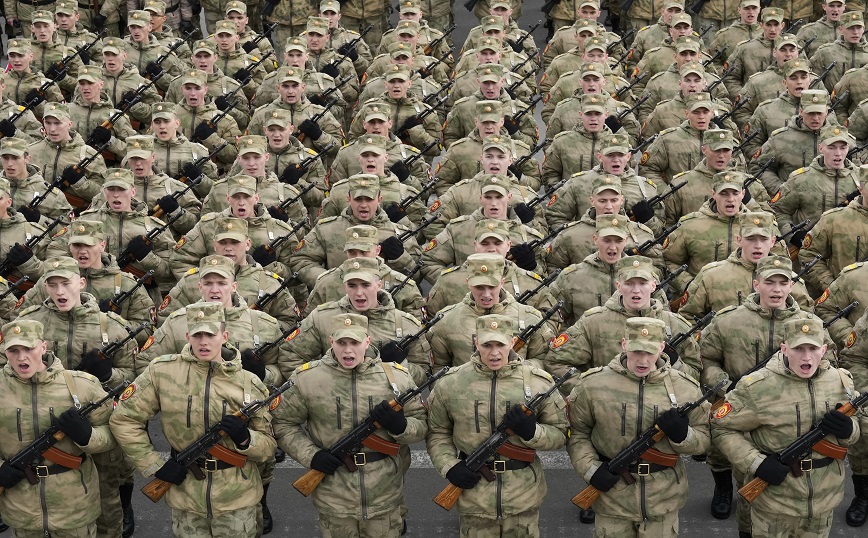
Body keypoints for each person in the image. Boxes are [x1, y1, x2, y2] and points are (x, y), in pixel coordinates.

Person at [110, 302, 276, 538]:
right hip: (185, 494)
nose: (204, 341)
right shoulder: (162, 372)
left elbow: (269, 448)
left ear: (225, 335)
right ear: (188, 336)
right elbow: (124, 419)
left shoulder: (249, 382)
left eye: (210, 334)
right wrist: (156, 465)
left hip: (237, 499)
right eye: (197, 334)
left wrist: (246, 439)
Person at [699, 255, 836, 531]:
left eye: (782, 282)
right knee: (748, 483)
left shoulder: (808, 323)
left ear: (791, 286)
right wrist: (725, 384)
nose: (776, 289)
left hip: (789, 419)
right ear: (755, 284)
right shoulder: (729, 321)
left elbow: (828, 360)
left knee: (789, 484)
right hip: (742, 412)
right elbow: (705, 359)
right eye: (769, 282)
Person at [272, 312, 428, 538]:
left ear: (367, 341)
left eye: (354, 342)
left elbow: (421, 426)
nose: (348, 350)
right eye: (341, 342)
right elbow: (283, 423)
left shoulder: (396, 378)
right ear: (331, 341)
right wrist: (312, 456)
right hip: (334, 495)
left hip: (384, 494)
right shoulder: (308, 378)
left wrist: (401, 426)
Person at [14, 255, 136, 538]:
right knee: (40, 494)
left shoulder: (111, 327)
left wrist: (109, 376)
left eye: (65, 284)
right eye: (52, 285)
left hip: (97, 422)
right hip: (43, 423)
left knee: (106, 494)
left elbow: (136, 381)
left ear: (81, 283)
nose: (59, 292)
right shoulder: (30, 323)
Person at [711, 317, 861, 538]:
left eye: (813, 348)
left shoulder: (841, 383)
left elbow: (856, 429)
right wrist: (756, 463)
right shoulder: (758, 386)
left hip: (824, 502)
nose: (806, 357)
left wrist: (849, 430)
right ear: (784, 349)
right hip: (775, 504)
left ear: (824, 350)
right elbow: (721, 427)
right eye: (798, 348)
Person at [425, 313, 569, 536]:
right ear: (476, 343)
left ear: (512, 342)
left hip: (523, 498)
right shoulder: (450, 384)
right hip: (475, 498)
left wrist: (533, 432)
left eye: (500, 344)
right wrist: (449, 466)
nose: (494, 353)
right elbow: (438, 433)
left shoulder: (538, 382)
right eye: (487, 345)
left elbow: (560, 434)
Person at [566, 317, 712, 535]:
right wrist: (591, 470)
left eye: (650, 352)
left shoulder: (686, 388)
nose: (643, 360)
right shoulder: (593, 384)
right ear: (624, 345)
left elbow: (705, 440)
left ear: (662, 348)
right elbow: (578, 433)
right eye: (636, 351)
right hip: (612, 498)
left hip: (663, 499)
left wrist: (683, 436)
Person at [0, 319, 117, 537]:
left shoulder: (82, 385)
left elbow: (115, 434)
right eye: (13, 350)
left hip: (74, 507)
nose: (21, 357)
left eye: (28, 348)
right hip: (21, 508)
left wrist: (89, 436)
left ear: (43, 347)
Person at [545, 256, 703, 394]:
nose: (636, 290)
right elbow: (556, 362)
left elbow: (695, 375)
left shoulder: (676, 325)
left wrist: (676, 363)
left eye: (642, 283)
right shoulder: (594, 322)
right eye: (629, 283)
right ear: (619, 285)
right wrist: (590, 393)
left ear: (653, 285)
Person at [281, 256, 431, 386]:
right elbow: (290, 356)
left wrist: (395, 369)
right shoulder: (322, 318)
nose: (359, 293)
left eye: (366, 285)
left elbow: (424, 371)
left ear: (378, 285)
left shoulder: (405, 324)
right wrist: (321, 386)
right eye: (352, 286)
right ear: (345, 286)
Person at [17, 220, 155, 345]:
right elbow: (19, 319)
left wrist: (114, 322)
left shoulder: (127, 284)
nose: (82, 251)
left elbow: (147, 331)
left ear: (102, 245)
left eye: (88, 245)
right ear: (70, 247)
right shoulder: (49, 282)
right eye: (76, 245)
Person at [157, 217, 300, 327]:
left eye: (235, 242)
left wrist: (261, 330)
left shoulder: (270, 283)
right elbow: (166, 320)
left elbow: (290, 322)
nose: (228, 248)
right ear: (214, 245)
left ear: (248, 244)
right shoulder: (192, 280)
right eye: (223, 243)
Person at [427, 253, 554, 370]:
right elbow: (438, 368)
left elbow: (544, 360)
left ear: (502, 282)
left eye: (492, 287)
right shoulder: (446, 320)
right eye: (479, 287)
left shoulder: (529, 318)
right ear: (468, 283)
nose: (486, 294)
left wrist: (515, 368)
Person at [678, 211, 813, 318]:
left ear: (772, 241)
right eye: (751, 239)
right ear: (739, 240)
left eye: (763, 239)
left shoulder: (792, 280)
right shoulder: (711, 276)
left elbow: (807, 322)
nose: (758, 246)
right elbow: (687, 316)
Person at [425, 218, 557, 319]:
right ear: (475, 245)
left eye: (498, 243)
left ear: (508, 245)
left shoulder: (530, 282)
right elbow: (431, 320)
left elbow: (551, 318)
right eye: (485, 243)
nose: (492, 248)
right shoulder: (449, 281)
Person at [304, 224, 424, 318]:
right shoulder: (326, 282)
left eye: (364, 252)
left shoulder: (402, 284)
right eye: (352, 252)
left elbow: (416, 329)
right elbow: (310, 323)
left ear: (377, 250)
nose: (358, 257)